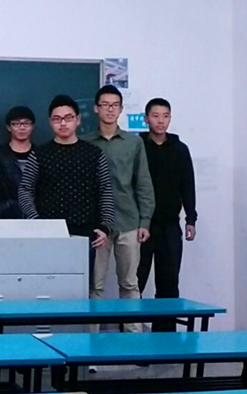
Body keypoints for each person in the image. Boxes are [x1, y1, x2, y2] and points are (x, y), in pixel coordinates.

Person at [83, 85, 155, 334]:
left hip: (128, 221)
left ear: (121, 109)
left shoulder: (134, 143)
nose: (110, 109)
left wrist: (145, 221)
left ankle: (134, 339)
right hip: (96, 226)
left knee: (130, 284)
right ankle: (90, 340)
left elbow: (143, 182)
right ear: (96, 108)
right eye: (105, 104)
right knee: (94, 285)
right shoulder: (85, 143)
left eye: (115, 105)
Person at [18, 95, 114, 267]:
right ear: (50, 122)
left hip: (86, 231)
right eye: (57, 119)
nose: (63, 123)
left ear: (78, 120)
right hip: (48, 232)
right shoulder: (39, 154)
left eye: (68, 118)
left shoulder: (94, 153)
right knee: (48, 278)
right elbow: (25, 189)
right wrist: (35, 221)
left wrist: (105, 226)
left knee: (83, 280)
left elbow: (105, 190)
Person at [138, 98, 198, 332]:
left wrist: (191, 218)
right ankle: (133, 337)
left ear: (170, 118)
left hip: (170, 225)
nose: (160, 121)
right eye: (155, 116)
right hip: (142, 225)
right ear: (146, 119)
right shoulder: (138, 146)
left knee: (169, 283)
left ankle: (165, 337)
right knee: (136, 281)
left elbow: (188, 185)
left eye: (165, 116)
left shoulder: (180, 149)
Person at [0, 106, 36, 219]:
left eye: (26, 123)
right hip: (6, 215)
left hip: (37, 214)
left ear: (32, 126)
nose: (22, 127)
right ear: (8, 127)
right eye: (16, 124)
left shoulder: (41, 154)